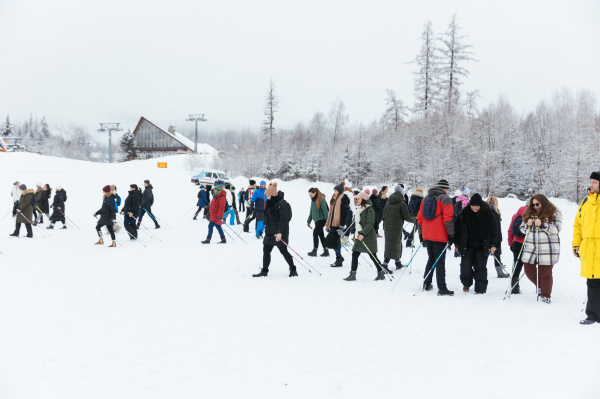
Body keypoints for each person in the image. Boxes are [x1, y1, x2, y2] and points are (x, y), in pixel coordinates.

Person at [520, 194, 562, 304]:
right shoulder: (529, 213)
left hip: (547, 248)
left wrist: (543, 225)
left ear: (543, 202)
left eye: (537, 204)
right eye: (533, 205)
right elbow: (522, 229)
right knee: (528, 270)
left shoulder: (554, 213)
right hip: (531, 248)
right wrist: (526, 225)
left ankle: (545, 295)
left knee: (545, 273)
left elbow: (557, 229)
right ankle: (540, 287)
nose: (535, 207)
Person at [453, 193, 498, 294]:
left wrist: (493, 245)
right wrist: (456, 244)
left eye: (477, 206)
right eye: (473, 206)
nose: (475, 208)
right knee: (466, 267)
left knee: (480, 267)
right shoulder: (464, 214)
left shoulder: (488, 214)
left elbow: (495, 231)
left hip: (482, 246)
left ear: (481, 205)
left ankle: (480, 289)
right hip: (467, 245)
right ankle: (466, 284)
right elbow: (457, 230)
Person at [417, 179, 455, 296]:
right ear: (445, 188)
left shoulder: (426, 198)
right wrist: (452, 234)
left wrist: (421, 234)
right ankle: (442, 288)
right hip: (440, 235)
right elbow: (448, 218)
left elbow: (419, 218)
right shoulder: (445, 198)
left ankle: (426, 283)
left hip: (427, 234)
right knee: (440, 262)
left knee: (431, 259)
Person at [253, 183, 297, 277]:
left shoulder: (282, 204)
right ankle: (264, 271)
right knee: (266, 251)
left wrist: (279, 232)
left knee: (283, 251)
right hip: (269, 232)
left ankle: (293, 269)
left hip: (279, 233)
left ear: (272, 195)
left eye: (268, 195)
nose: (267, 197)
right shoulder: (270, 203)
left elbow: (284, 219)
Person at [573, 171, 600, 324]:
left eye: (594, 182)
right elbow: (577, 226)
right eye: (591, 182)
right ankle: (593, 315)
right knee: (592, 283)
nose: (591, 185)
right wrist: (576, 244)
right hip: (589, 250)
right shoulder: (585, 203)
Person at [343, 191, 385, 281]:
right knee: (355, 254)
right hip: (360, 236)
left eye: (358, 198)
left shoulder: (370, 210)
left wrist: (362, 234)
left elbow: (370, 224)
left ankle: (381, 272)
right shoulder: (359, 209)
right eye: (356, 198)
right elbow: (357, 223)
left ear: (364, 200)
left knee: (373, 256)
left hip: (368, 236)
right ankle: (352, 274)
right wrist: (356, 235)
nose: (356, 200)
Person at [383, 185, 416, 270]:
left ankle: (397, 263)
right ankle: (385, 264)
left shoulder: (388, 202)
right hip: (397, 227)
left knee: (392, 243)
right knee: (394, 244)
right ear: (402, 194)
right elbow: (407, 217)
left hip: (387, 226)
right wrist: (415, 220)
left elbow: (384, 213)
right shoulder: (402, 203)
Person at [323, 183, 350, 267]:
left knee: (329, 242)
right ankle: (339, 259)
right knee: (335, 242)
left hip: (338, 224)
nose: (334, 192)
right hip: (332, 223)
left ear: (340, 191)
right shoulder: (334, 198)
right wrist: (328, 225)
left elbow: (345, 214)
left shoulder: (344, 199)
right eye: (334, 190)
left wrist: (341, 227)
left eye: (336, 191)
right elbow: (331, 213)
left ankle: (339, 258)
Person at [487, 196, 510, 278]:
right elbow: (496, 228)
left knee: (483, 256)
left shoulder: (484, 212)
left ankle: (478, 272)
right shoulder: (495, 212)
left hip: (486, 237)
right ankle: (500, 273)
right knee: (497, 255)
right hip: (496, 238)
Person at [507, 204, 527, 294]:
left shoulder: (516, 215)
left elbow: (510, 230)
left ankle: (514, 287)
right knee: (534, 265)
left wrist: (511, 243)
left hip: (517, 243)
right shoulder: (535, 215)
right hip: (530, 243)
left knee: (516, 265)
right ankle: (539, 286)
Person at [201, 180, 227, 244]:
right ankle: (223, 239)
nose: (214, 190)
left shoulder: (221, 197)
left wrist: (220, 216)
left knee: (210, 226)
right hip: (213, 214)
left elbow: (222, 207)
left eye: (215, 189)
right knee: (218, 227)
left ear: (219, 190)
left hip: (216, 215)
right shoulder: (215, 196)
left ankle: (208, 239)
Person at [307, 187, 329, 257]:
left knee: (315, 233)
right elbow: (311, 212)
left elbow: (325, 211)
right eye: (309, 195)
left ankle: (314, 250)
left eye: (311, 195)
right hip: (316, 220)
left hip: (322, 220)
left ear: (315, 193)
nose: (310, 196)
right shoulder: (313, 200)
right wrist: (308, 221)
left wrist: (327, 221)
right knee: (321, 235)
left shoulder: (321, 199)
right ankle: (326, 250)